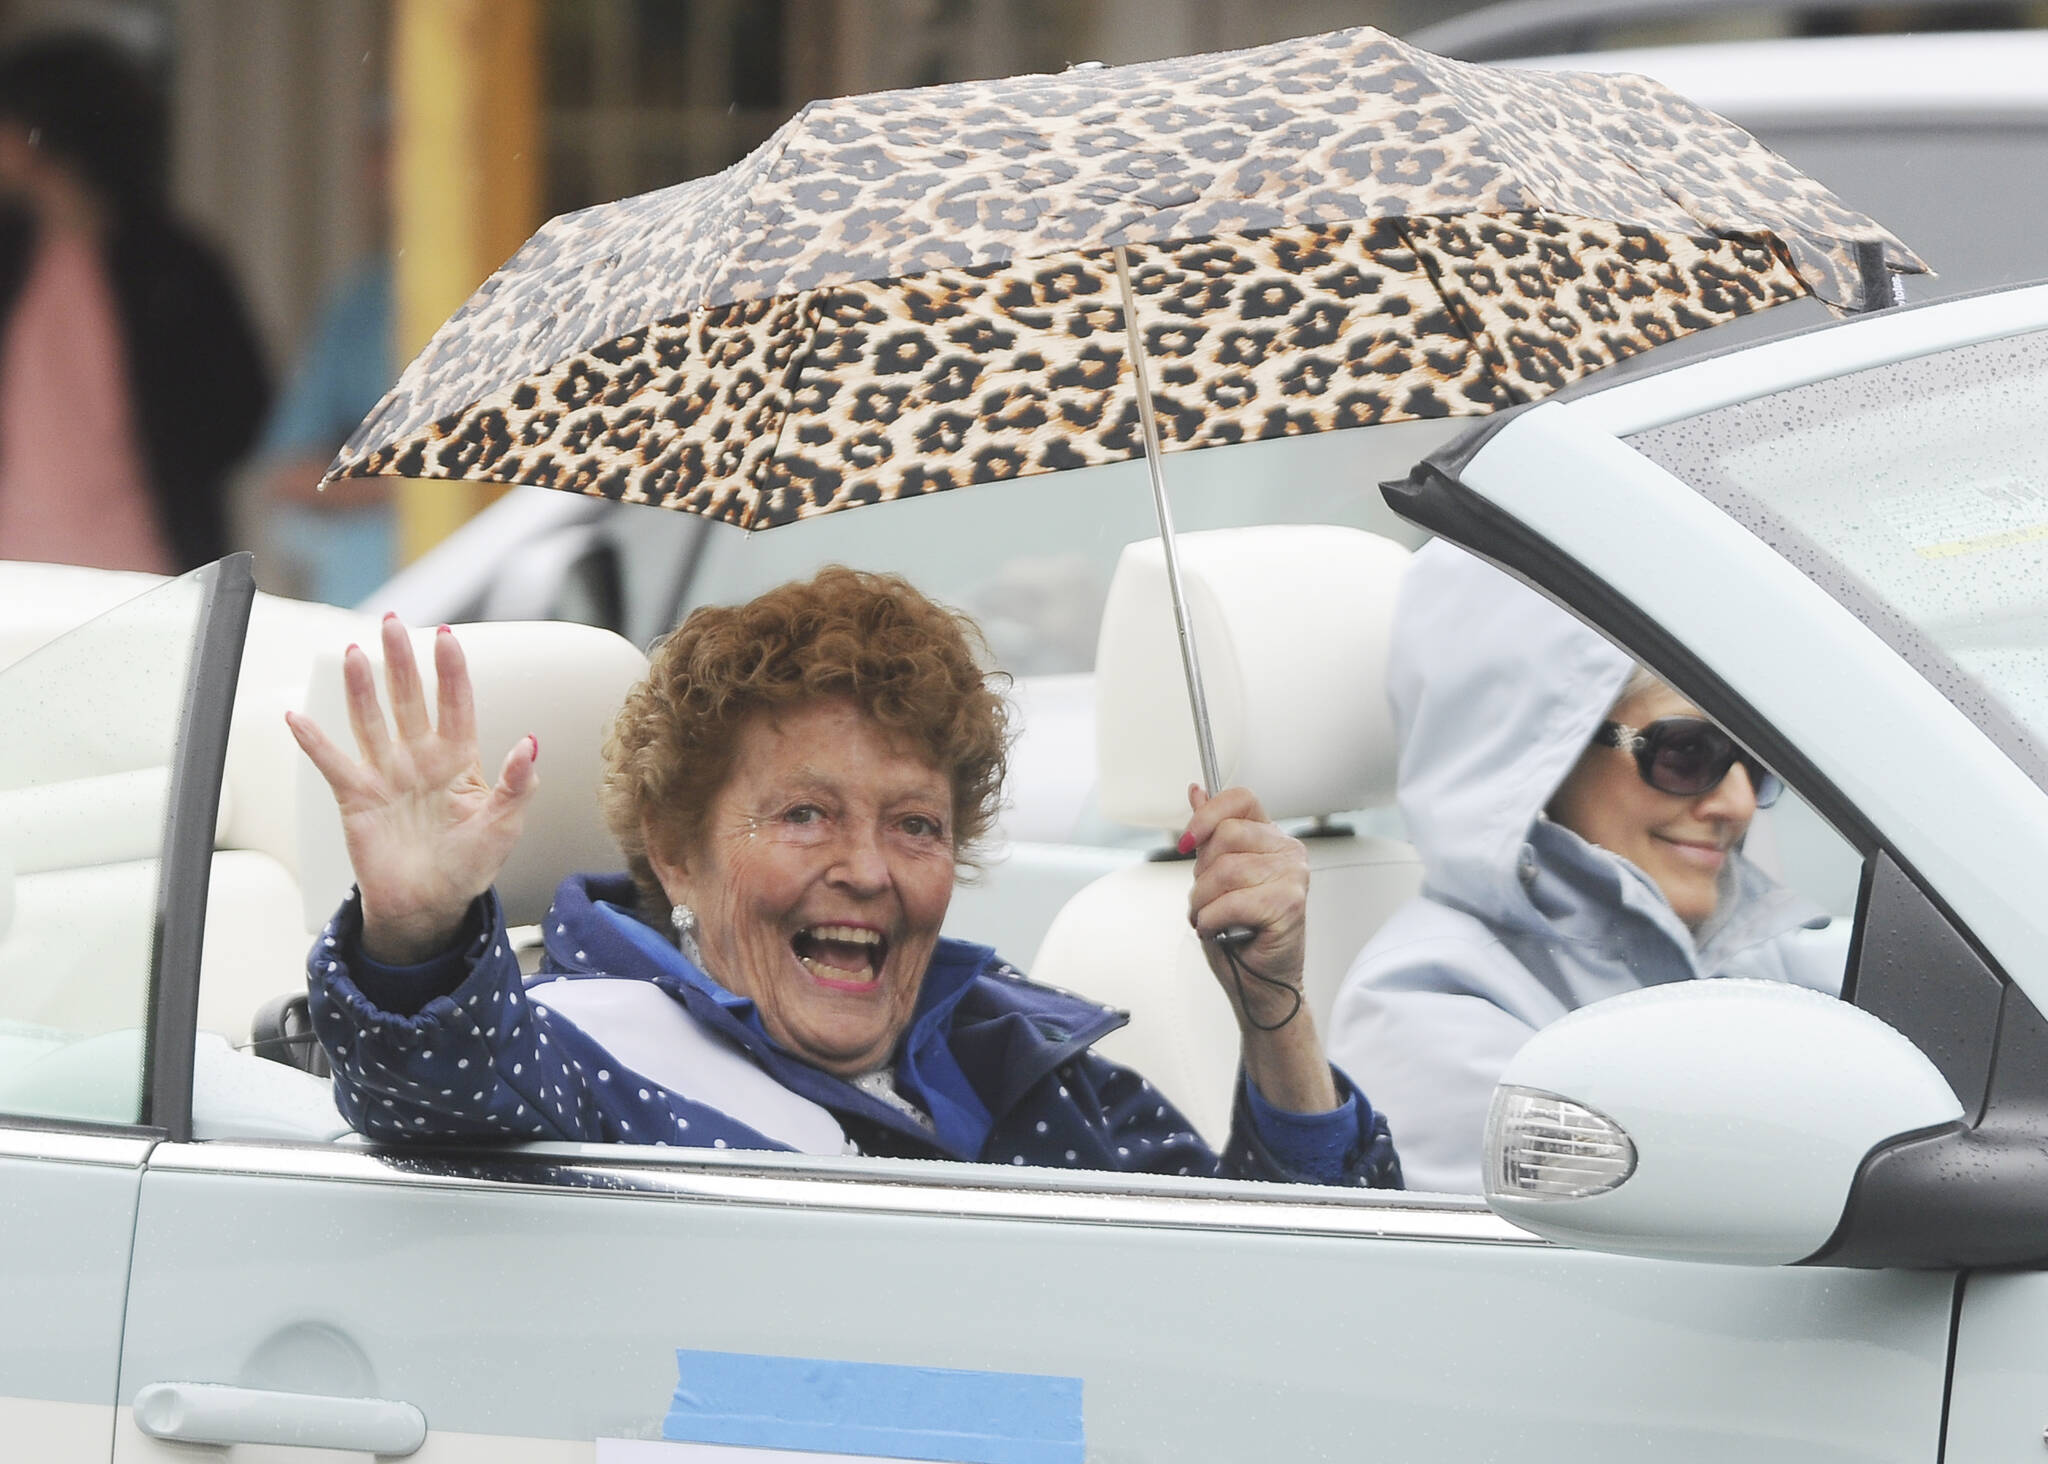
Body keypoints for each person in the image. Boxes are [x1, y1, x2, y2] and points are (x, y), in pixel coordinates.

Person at [288, 567, 1402, 1185]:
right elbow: (435, 1086)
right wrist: (421, 925)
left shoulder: (1036, 1071)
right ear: (674, 849)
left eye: (915, 825)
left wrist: (1275, 1026)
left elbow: (1289, 1317)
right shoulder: (582, 1056)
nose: (865, 870)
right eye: (806, 814)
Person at [1325, 542, 1842, 1194]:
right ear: (1537, 749)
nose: (1737, 804)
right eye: (1686, 752)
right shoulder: (1431, 1009)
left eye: (1756, 761)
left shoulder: (1748, 947)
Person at [0, 32, 268, 573]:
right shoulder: (10, 259)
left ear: (41, 132)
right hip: (13, 571)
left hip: (146, 565)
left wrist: (168, 448)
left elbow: (241, 408)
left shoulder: (174, 266)